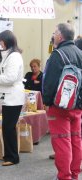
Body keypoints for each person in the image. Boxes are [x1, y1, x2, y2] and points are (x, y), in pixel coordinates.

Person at [42, 23, 82, 180]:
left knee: (62, 141)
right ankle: (74, 174)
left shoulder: (57, 55)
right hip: (77, 106)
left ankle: (64, 176)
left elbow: (49, 82)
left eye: (54, 32)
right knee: (76, 140)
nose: (53, 36)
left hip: (58, 106)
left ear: (60, 36)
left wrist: (46, 102)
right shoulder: (80, 53)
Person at [0, 30, 25, 166]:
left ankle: (12, 157)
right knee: (7, 127)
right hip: (9, 97)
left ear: (6, 41)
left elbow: (11, 78)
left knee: (8, 127)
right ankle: (9, 155)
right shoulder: (9, 56)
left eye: (0, 41)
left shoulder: (14, 56)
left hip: (13, 98)